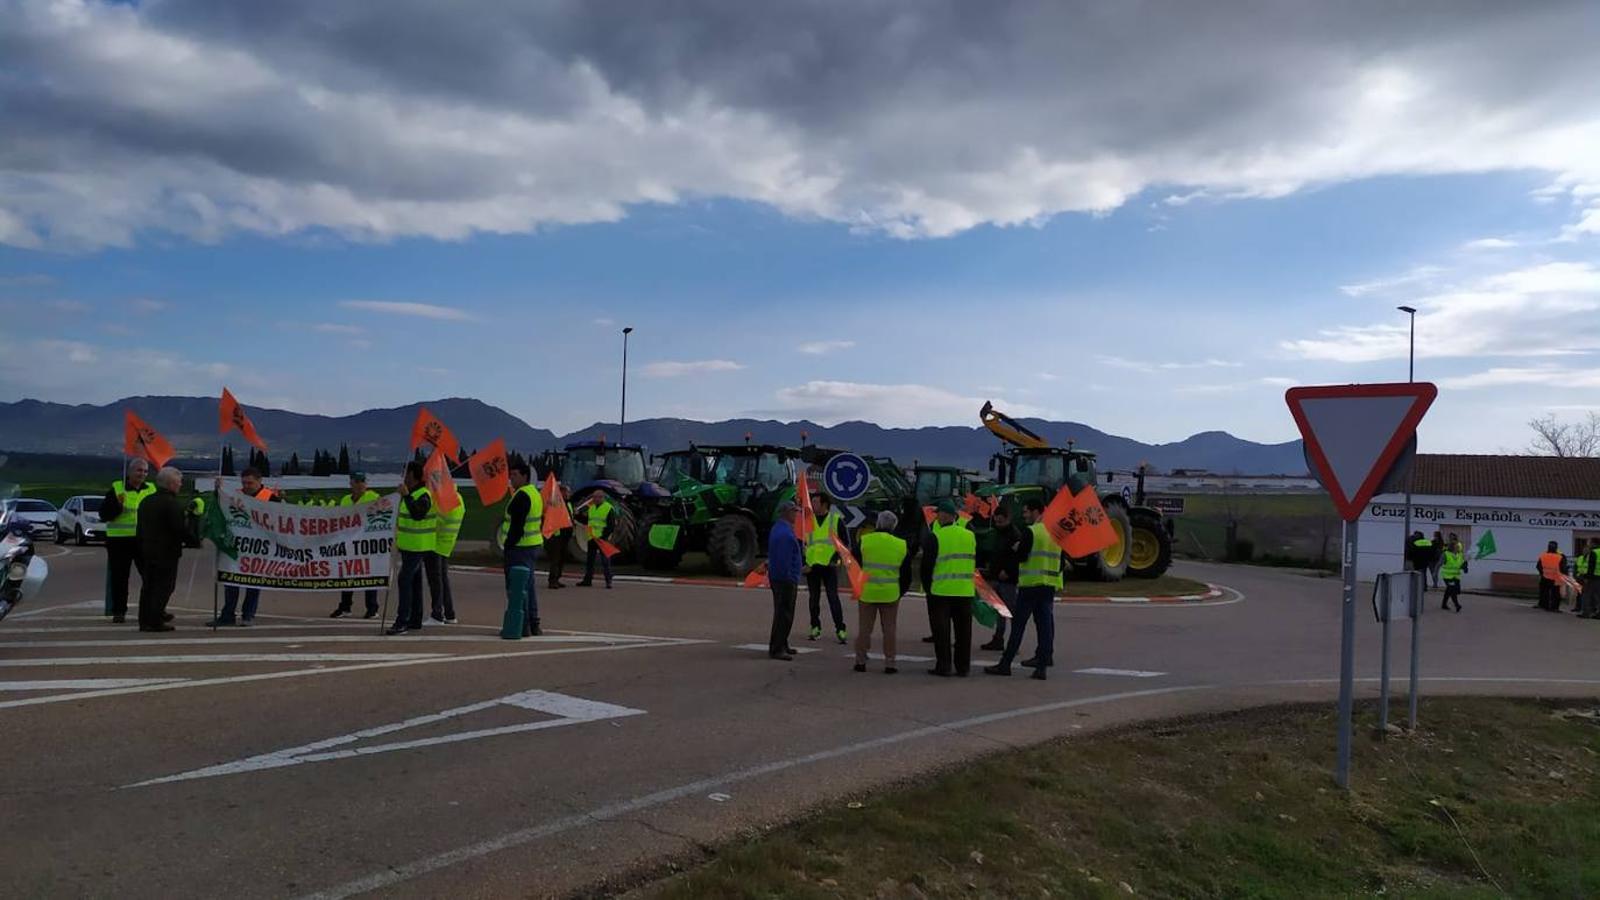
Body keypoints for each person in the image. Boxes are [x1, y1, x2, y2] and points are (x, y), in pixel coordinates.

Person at [987, 497, 1058, 680]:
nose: (1024, 515)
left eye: (1026, 511)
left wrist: (1018, 548)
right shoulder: (1056, 533)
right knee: (1044, 627)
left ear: (1036, 512)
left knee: (1018, 626)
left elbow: (1021, 557)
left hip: (1030, 586)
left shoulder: (1031, 532)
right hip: (1048, 586)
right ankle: (1041, 668)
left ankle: (1005, 664)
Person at [209, 467, 279, 626]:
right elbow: (221, 506)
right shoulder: (236, 495)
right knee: (232, 580)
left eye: (250, 483)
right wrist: (217, 490)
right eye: (244, 482)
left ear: (260, 481)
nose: (247, 486)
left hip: (259, 546)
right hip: (238, 545)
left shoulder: (271, 498)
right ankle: (228, 614)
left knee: (253, 582)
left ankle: (248, 614)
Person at [920, 499, 976, 677]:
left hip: (941, 592)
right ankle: (963, 667)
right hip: (965, 591)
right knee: (963, 633)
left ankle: (944, 666)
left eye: (938, 514)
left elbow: (926, 567)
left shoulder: (935, 537)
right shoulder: (969, 536)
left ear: (945, 515)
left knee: (941, 633)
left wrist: (928, 588)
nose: (936, 517)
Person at [853, 511, 911, 674]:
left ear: (877, 524)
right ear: (894, 525)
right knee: (889, 630)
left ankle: (860, 661)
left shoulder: (864, 541)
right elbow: (907, 574)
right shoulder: (901, 544)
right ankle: (890, 663)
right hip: (890, 593)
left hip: (867, 592)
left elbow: (854, 564)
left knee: (864, 629)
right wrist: (900, 591)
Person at [99, 458, 155, 624]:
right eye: (139, 470)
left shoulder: (151, 489)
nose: (142, 474)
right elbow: (104, 515)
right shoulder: (117, 489)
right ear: (129, 472)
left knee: (149, 576)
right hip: (119, 540)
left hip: (143, 539)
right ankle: (119, 611)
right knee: (120, 578)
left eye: (145, 471)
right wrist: (118, 506)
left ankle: (154, 608)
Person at [387, 461, 436, 636]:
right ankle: (415, 618)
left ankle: (402, 621)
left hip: (418, 546)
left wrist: (406, 496)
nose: (404, 477)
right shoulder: (412, 494)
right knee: (414, 582)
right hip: (409, 546)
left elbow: (417, 514)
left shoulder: (423, 495)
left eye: (406, 473)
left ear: (413, 475)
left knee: (404, 579)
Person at [135, 467, 187, 633]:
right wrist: (194, 540)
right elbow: (179, 529)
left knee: (148, 587)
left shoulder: (146, 501)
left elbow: (140, 527)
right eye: (179, 482)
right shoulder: (172, 504)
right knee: (164, 587)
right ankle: (155, 620)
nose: (180, 485)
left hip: (147, 549)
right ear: (171, 484)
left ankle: (144, 620)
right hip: (166, 552)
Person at [498, 460, 544, 638]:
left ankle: (521, 626)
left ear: (525, 476)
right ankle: (533, 623)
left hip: (519, 548)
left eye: (515, 475)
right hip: (531, 545)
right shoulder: (534, 493)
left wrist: (508, 546)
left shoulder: (522, 495)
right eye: (511, 474)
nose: (511, 478)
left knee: (517, 588)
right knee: (528, 586)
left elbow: (517, 525)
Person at [330, 472, 381, 619]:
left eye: (362, 482)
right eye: (356, 482)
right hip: (349, 543)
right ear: (351, 483)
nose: (359, 485)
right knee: (347, 574)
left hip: (367, 543)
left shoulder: (373, 498)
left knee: (369, 575)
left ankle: (372, 608)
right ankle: (345, 607)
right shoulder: (345, 500)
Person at [977, 504, 1024, 652]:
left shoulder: (1015, 535)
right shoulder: (997, 533)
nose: (998, 524)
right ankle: (998, 638)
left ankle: (1014, 643)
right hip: (995, 576)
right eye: (996, 521)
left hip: (1008, 580)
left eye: (1001, 522)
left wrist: (1009, 571)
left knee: (1011, 612)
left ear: (1008, 519)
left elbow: (1018, 557)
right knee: (999, 611)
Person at [805, 493, 850, 644]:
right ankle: (815, 627)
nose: (812, 505)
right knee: (813, 599)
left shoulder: (835, 520)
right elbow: (802, 542)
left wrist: (836, 559)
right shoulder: (808, 521)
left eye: (815, 502)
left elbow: (844, 544)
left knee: (833, 598)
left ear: (824, 504)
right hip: (812, 566)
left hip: (829, 566)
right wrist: (804, 562)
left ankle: (840, 628)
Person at [766, 500, 803, 660]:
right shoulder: (785, 534)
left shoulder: (780, 529)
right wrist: (789, 577)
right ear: (787, 513)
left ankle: (782, 643)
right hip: (784, 580)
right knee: (784, 614)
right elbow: (783, 560)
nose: (796, 514)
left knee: (783, 613)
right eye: (794, 511)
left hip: (782, 578)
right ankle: (777, 648)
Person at [430, 497, 465, 624]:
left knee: (437, 580)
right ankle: (449, 613)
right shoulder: (458, 498)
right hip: (448, 542)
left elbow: (437, 521)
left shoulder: (443, 499)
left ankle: (437, 614)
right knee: (443, 579)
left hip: (437, 542)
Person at [577, 493, 614, 589]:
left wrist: (603, 536)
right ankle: (587, 580)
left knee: (605, 561)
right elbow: (588, 521)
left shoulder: (608, 508)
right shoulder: (592, 508)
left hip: (602, 539)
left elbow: (611, 525)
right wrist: (577, 516)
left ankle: (608, 581)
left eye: (597, 497)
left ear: (602, 498)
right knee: (590, 561)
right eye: (594, 497)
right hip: (592, 538)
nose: (595, 499)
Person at [546, 483, 573, 590]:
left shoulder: (568, 504)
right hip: (556, 536)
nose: (568, 494)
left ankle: (557, 578)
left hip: (565, 536)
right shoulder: (555, 504)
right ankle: (552, 580)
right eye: (566, 492)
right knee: (555, 559)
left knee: (561, 558)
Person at [1535, 540, 1568, 612]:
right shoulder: (1560, 556)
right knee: (1555, 593)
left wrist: (1543, 573)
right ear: (1556, 548)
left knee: (1544, 592)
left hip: (1545, 577)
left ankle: (1544, 605)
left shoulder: (1543, 555)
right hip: (1556, 577)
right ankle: (1554, 607)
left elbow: (1538, 566)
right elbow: (1563, 568)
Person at [1438, 535, 1467, 613]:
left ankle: (1444, 604)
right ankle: (1457, 605)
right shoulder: (1446, 554)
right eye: (1457, 546)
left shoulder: (1459, 555)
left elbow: (1461, 564)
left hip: (1456, 576)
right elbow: (1439, 564)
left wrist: (1464, 567)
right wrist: (1435, 573)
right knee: (1452, 590)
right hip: (1447, 576)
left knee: (1451, 590)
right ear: (1453, 547)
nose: (1458, 547)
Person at [1577, 540, 1600, 619]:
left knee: (1586, 595)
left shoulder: (1593, 553)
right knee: (1598, 596)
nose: (1588, 545)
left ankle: (1586, 613)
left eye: (1589, 543)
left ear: (1594, 544)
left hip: (1593, 577)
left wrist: (1587, 577)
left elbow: (1591, 566)